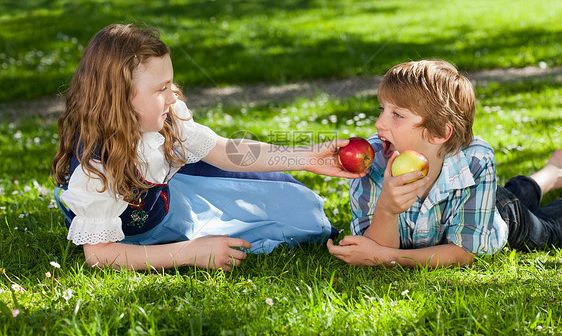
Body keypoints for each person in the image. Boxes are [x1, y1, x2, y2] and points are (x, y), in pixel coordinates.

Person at [52, 23, 364, 272]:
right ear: (119, 97)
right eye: (161, 89)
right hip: (133, 234)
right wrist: (188, 253)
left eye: (170, 84)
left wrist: (306, 157)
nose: (173, 97)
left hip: (173, 205)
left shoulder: (166, 120)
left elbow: (227, 151)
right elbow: (100, 255)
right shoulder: (95, 168)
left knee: (300, 211)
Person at [327, 60, 562, 268]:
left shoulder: (475, 161)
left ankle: (551, 174)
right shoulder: (371, 163)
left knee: (547, 231)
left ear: (439, 133)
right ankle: (551, 173)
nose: (379, 123)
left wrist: (389, 257)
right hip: (479, 202)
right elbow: (371, 250)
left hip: (500, 217)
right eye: (382, 109)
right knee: (512, 195)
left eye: (397, 115)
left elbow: (465, 252)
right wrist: (386, 209)